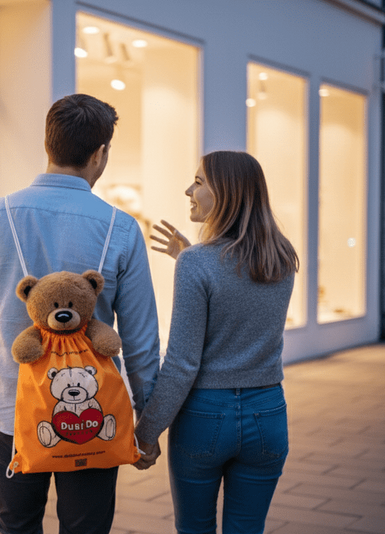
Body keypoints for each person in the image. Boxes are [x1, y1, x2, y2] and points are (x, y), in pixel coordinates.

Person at [0, 93, 161, 534]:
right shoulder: (121, 228)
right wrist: (147, 423)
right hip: (94, 414)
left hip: (13, 407)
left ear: (47, 144)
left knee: (15, 526)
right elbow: (141, 341)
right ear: (100, 153)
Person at [133, 150, 299, 534]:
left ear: (226, 192)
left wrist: (146, 432)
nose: (188, 190)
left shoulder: (198, 263)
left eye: (198, 182)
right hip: (268, 413)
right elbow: (238, 291)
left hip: (205, 417)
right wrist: (188, 256)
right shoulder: (281, 256)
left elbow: (182, 364)